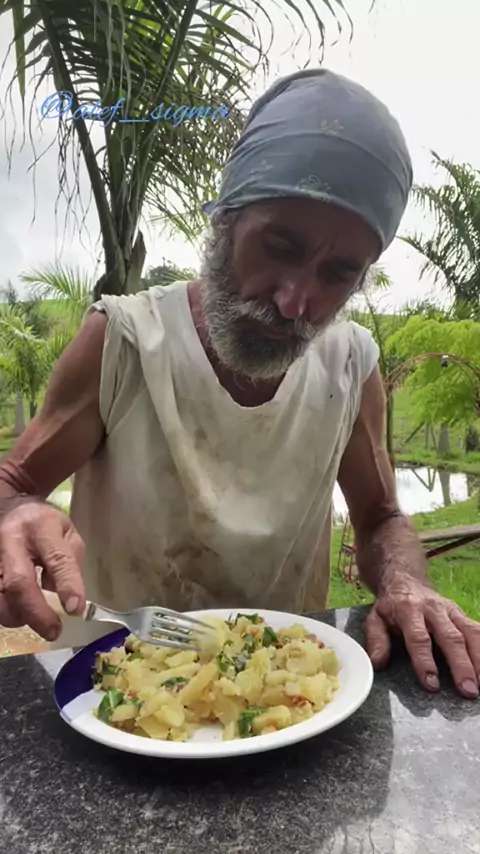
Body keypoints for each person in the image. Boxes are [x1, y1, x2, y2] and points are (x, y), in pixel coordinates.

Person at [0, 69, 479, 699]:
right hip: (113, 693)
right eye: (279, 246)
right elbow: (15, 481)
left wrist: (404, 582)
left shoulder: (349, 366)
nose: (295, 302)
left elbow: (381, 517)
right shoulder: (124, 342)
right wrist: (17, 515)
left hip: (282, 697)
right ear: (226, 221)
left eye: (338, 274)